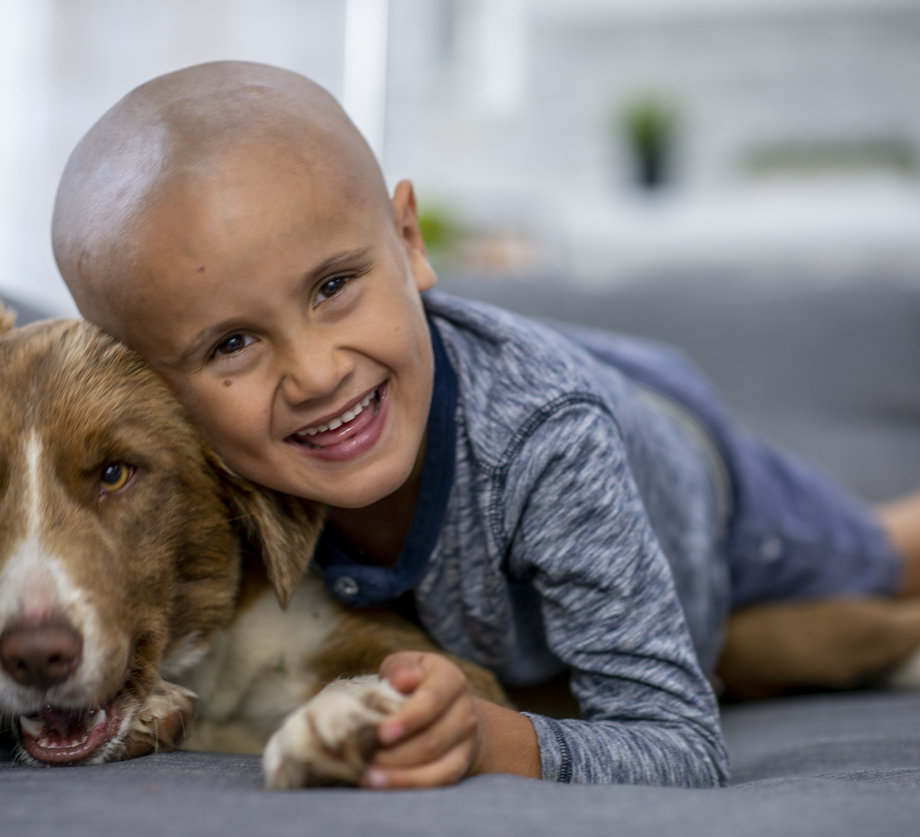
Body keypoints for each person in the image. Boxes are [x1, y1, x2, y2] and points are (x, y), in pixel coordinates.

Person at [49, 61, 920, 788]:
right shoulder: (201, 475)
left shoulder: (544, 446)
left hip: (702, 486)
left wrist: (495, 739)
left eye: (331, 286)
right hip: (565, 549)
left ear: (409, 239)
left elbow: (680, 745)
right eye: (233, 341)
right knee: (799, 643)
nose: (316, 374)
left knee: (883, 555)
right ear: (150, 388)